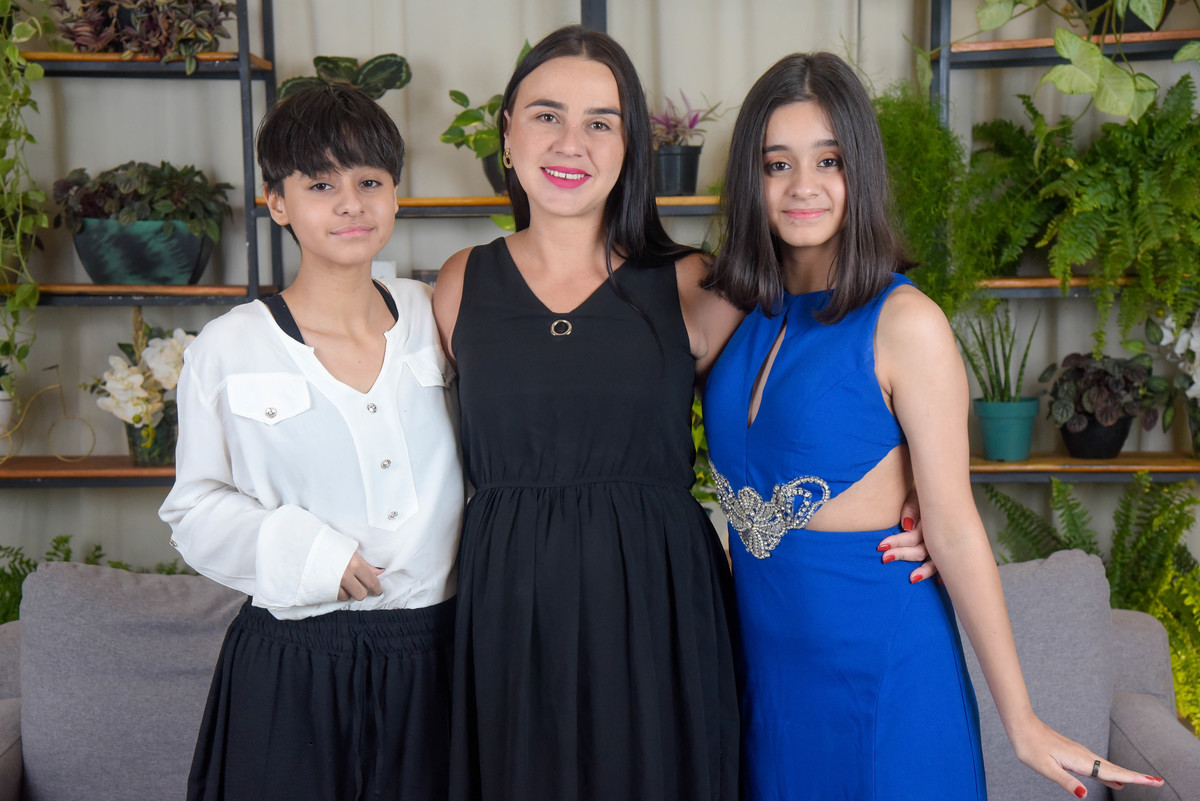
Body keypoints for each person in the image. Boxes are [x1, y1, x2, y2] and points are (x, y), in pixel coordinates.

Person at [431, 26, 933, 801]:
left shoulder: (695, 285)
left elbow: (803, 393)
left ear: (631, 145)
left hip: (658, 611)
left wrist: (917, 489)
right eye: (547, 115)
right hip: (509, 614)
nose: (571, 143)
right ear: (507, 132)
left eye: (601, 122)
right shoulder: (460, 283)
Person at [702, 51, 1166, 801]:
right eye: (776, 164)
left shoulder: (905, 321)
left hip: (883, 679)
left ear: (861, 171)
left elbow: (952, 527)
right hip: (768, 689)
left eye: (829, 160)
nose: (802, 186)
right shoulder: (735, 312)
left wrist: (1022, 720)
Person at [159, 84, 464, 801]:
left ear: (395, 194)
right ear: (278, 202)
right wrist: (311, 554)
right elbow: (192, 507)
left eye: (369, 182)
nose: (350, 204)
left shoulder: (438, 315)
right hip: (294, 661)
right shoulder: (228, 347)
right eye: (321, 185)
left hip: (440, 655)